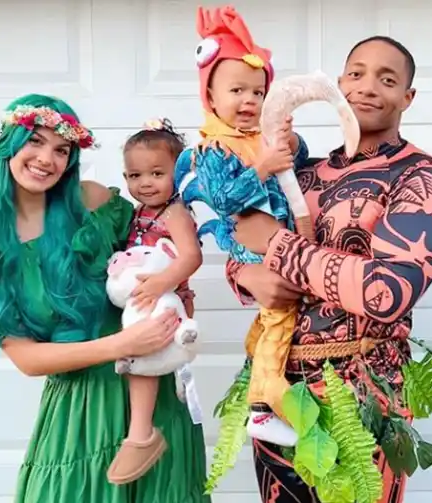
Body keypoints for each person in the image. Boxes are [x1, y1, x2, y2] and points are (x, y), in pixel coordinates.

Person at [225, 36, 432, 502]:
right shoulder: (301, 173)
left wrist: (276, 243)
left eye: (387, 79)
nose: (367, 87)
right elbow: (242, 249)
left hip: (365, 393)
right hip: (276, 391)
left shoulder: (425, 177)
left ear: (407, 98)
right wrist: (246, 276)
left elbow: (387, 291)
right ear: (337, 85)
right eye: (356, 73)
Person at [0, 94, 210, 503]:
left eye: (61, 149)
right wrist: (123, 344)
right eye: (35, 142)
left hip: (149, 395)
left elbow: (157, 244)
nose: (47, 158)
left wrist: (176, 290)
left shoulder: (93, 202)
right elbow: (27, 358)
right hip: (80, 411)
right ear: (9, 143)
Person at [175, 4, 310, 446]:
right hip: (255, 246)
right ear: (210, 97)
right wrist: (264, 169)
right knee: (281, 316)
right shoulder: (214, 149)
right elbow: (225, 200)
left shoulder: (260, 141)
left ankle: (257, 359)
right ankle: (260, 407)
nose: (249, 101)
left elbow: (300, 163)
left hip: (279, 240)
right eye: (237, 90)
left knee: (271, 320)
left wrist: (290, 143)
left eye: (258, 92)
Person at [106, 118, 203, 485]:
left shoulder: (175, 212)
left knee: (142, 354)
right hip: (151, 296)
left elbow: (190, 256)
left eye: (156, 173)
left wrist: (161, 282)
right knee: (139, 351)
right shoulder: (139, 214)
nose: (144, 183)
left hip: (166, 297)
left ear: (178, 174)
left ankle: (141, 434)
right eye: (134, 176)